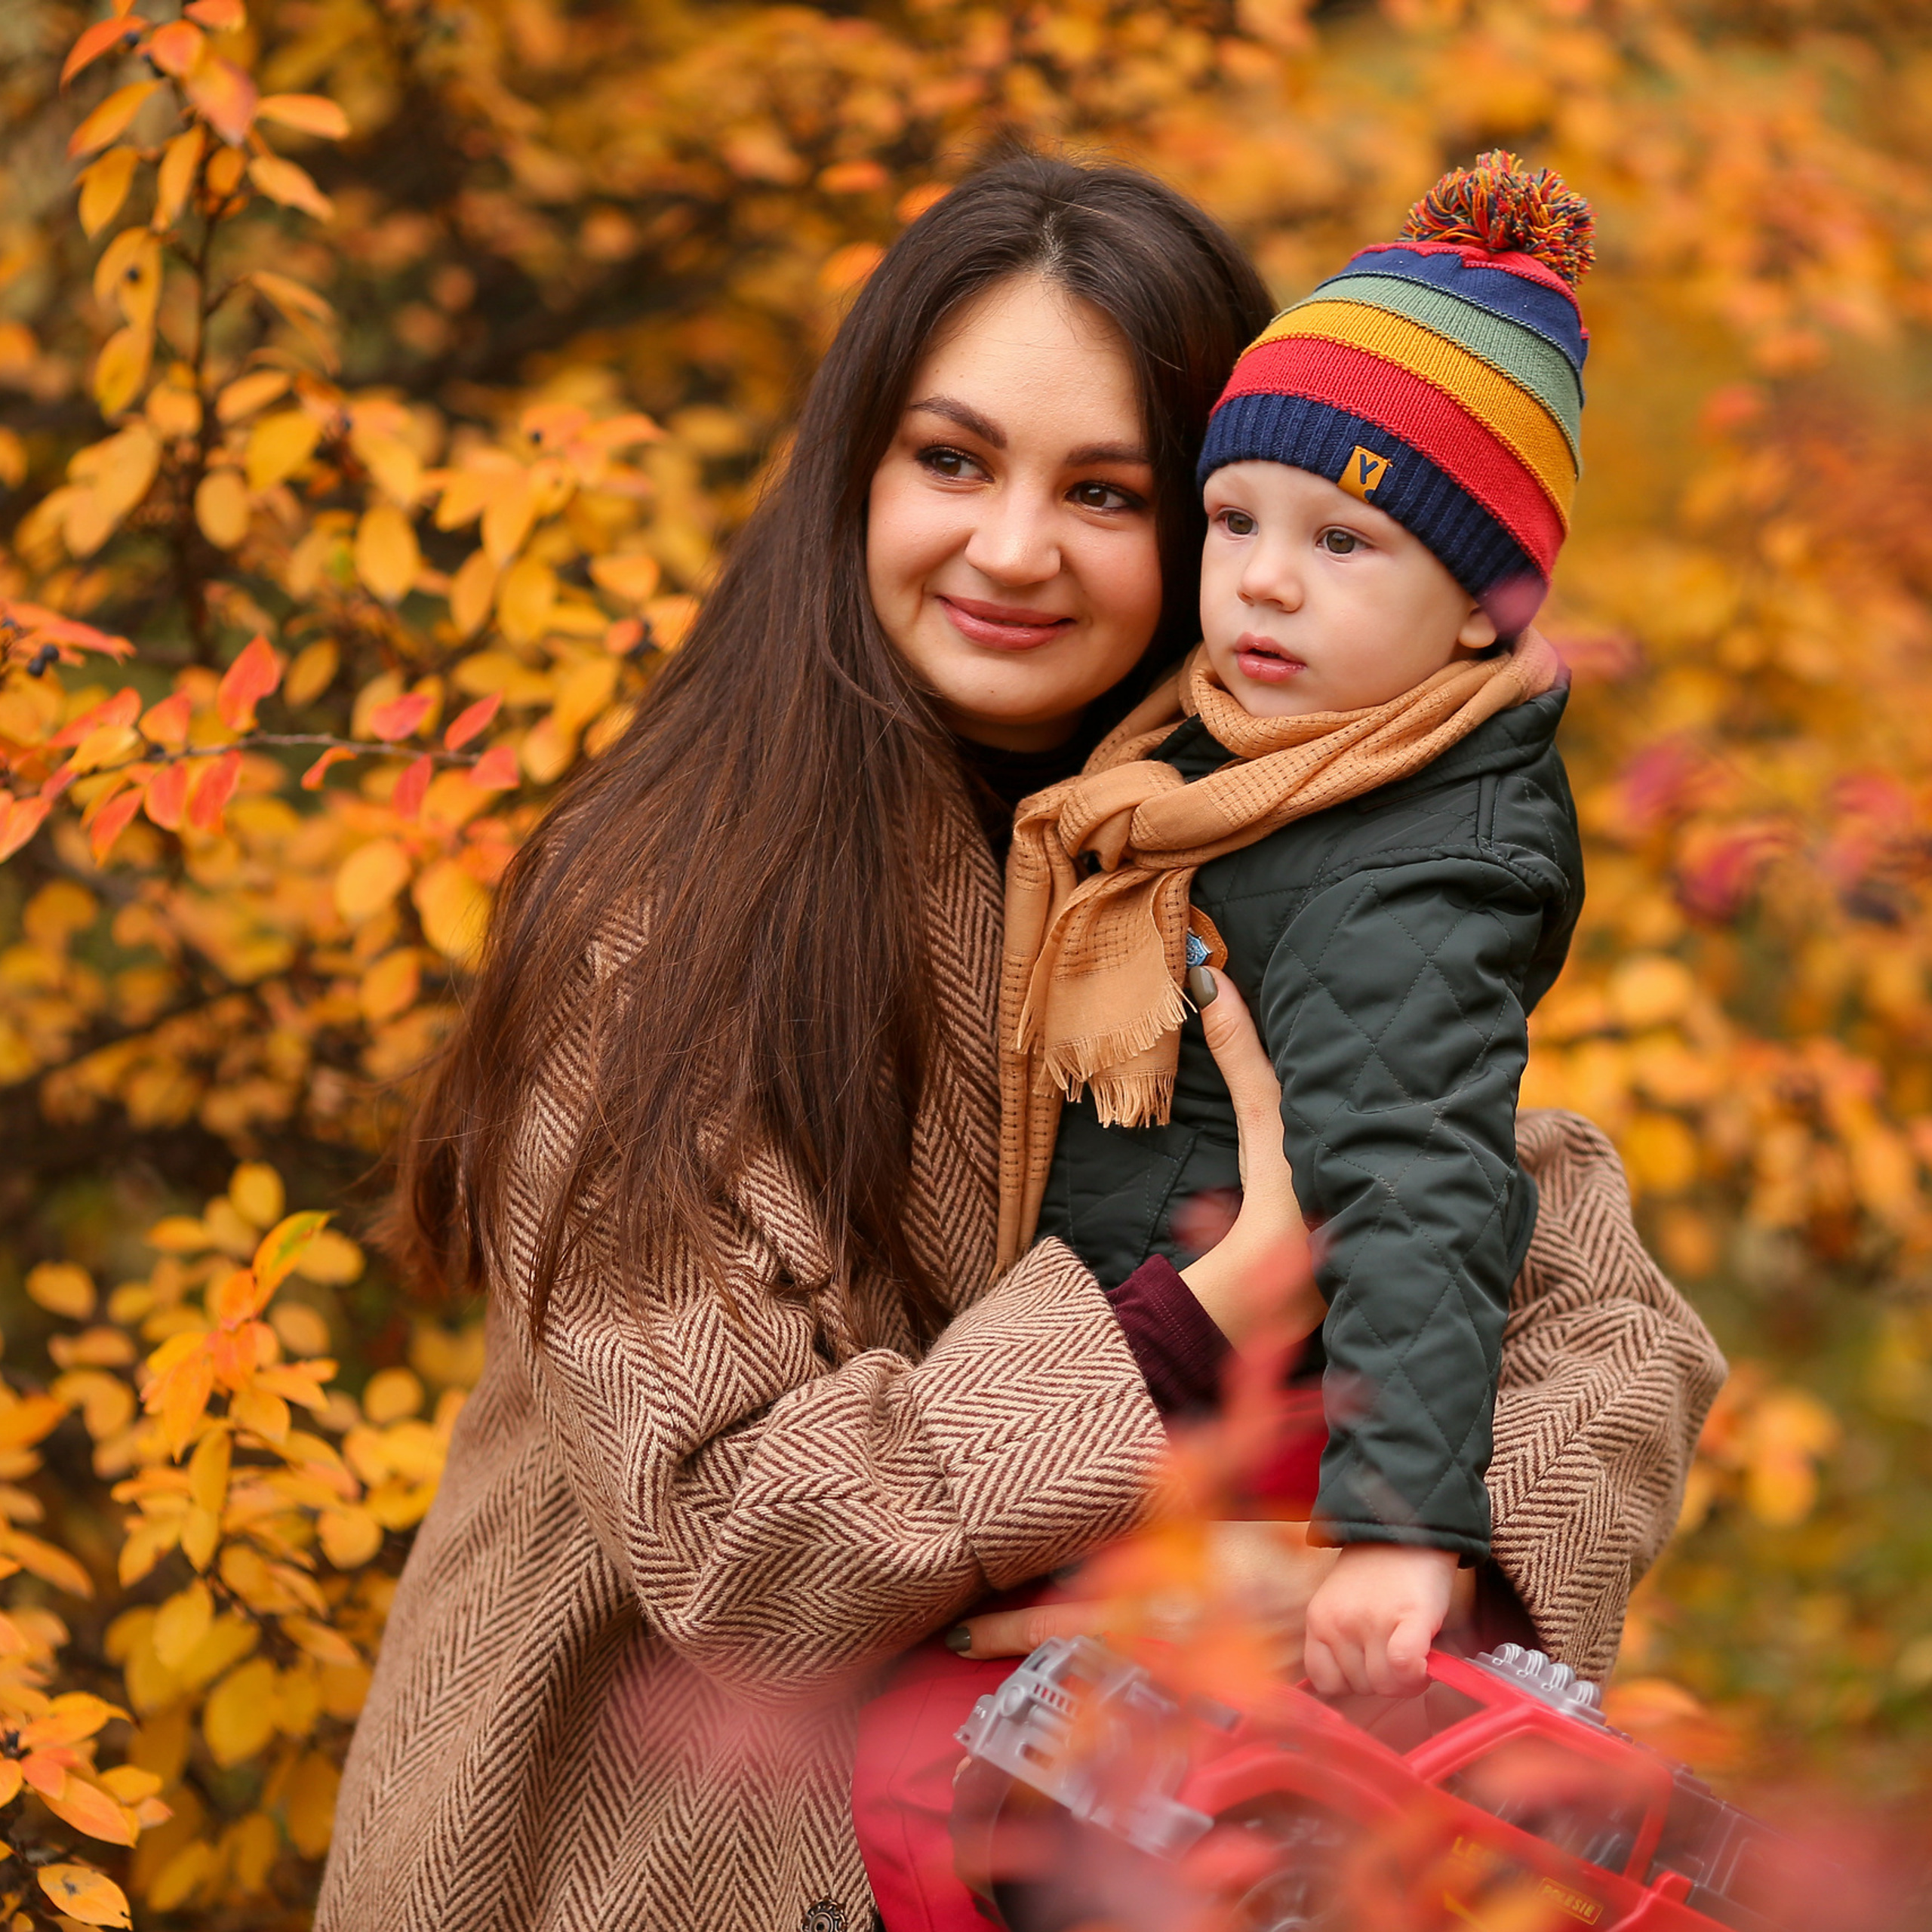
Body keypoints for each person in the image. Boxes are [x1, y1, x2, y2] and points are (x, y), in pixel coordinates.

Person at [317, 149, 1724, 1932]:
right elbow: (743, 1537)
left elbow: (1599, 1318)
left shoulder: (1251, 834)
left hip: (1078, 1836)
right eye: (952, 458)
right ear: (858, 470)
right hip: (664, 1846)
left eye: (1108, 489)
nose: (1008, 547)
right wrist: (1210, 1307)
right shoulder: (661, 901)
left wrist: (1396, 1563)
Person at [850, 153, 1720, 1932]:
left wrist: (1406, 1532)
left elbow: (1428, 1185)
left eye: (1341, 543)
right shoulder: (1198, 765)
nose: (1259, 581)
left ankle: (1414, 1804)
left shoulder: (1395, 843)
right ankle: (1349, 1812)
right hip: (1156, 1383)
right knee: (1000, 1768)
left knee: (977, 1785)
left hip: (1247, 1429)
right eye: (1232, 519)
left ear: (1484, 607)